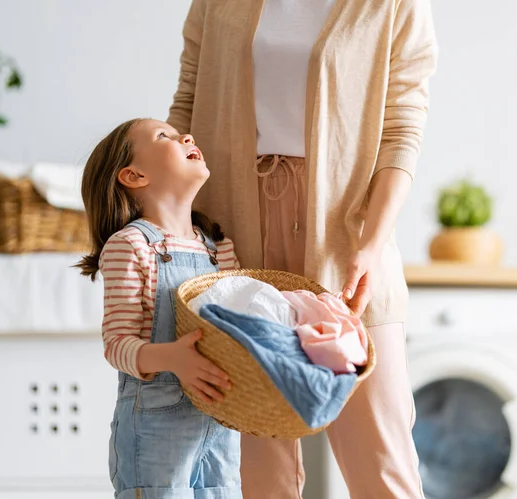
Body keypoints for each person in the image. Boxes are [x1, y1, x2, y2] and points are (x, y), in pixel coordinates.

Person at [168, 0, 438, 497]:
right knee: (257, 464)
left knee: (382, 456)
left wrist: (372, 244)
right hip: (232, 233)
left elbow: (403, 126)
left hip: (347, 237)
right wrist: (175, 225)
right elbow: (188, 102)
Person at [77, 118, 242, 498]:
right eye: (163, 135)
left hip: (219, 426)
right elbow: (117, 345)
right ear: (133, 176)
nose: (186, 135)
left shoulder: (220, 249)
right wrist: (173, 358)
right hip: (154, 433)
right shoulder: (131, 245)